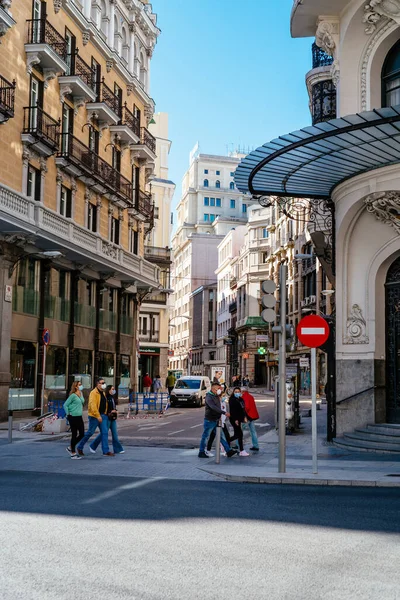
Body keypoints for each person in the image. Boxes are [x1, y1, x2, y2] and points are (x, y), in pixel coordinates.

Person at [198, 382, 237, 458]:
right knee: (206, 436)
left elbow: (219, 405)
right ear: (213, 389)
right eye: (218, 389)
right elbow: (213, 407)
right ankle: (201, 451)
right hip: (210, 420)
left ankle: (228, 451)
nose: (219, 390)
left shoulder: (216, 395)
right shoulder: (209, 397)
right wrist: (224, 413)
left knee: (221, 436)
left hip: (216, 419)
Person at [76, 377, 114, 457]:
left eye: (104, 383)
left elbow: (104, 403)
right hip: (94, 416)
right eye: (102, 383)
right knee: (90, 432)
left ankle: (105, 451)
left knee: (104, 432)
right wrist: (97, 416)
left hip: (103, 415)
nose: (104, 384)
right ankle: (80, 446)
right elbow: (92, 406)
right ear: (98, 384)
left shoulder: (103, 393)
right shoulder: (93, 393)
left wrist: (106, 413)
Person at [89, 385, 124, 455]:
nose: (113, 390)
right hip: (107, 418)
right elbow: (105, 408)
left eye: (114, 389)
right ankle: (93, 445)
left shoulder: (112, 398)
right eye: (112, 389)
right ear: (109, 390)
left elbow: (113, 407)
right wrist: (111, 411)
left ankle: (118, 449)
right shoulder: (106, 398)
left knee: (115, 434)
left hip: (113, 418)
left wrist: (115, 411)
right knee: (104, 433)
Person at [206, 385, 231, 457]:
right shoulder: (217, 402)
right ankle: (226, 450)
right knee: (219, 436)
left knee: (218, 436)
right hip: (218, 422)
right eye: (222, 396)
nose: (224, 397)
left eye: (224, 396)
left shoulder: (223, 403)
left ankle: (227, 450)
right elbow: (218, 411)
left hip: (221, 422)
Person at [63, 381, 85, 460]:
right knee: (74, 434)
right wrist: (68, 414)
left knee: (82, 433)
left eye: (81, 384)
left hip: (79, 416)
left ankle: (70, 447)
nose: (81, 386)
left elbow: (82, 402)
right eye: (79, 385)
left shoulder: (81, 394)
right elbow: (65, 405)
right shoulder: (72, 395)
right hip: (73, 416)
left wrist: (80, 393)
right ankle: (73, 453)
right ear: (75, 386)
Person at [228, 387, 249, 456]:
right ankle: (241, 450)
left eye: (238, 391)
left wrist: (245, 417)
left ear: (240, 392)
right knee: (239, 434)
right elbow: (232, 411)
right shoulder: (232, 400)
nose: (237, 393)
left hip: (239, 419)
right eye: (235, 392)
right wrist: (235, 420)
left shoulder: (241, 399)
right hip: (234, 419)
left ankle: (226, 443)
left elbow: (243, 409)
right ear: (233, 392)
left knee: (238, 434)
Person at [241, 387, 260, 452]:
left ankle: (238, 445)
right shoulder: (250, 396)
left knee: (240, 430)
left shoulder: (244, 397)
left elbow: (246, 407)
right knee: (253, 431)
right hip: (252, 416)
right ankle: (256, 445)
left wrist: (243, 415)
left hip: (247, 416)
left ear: (243, 391)